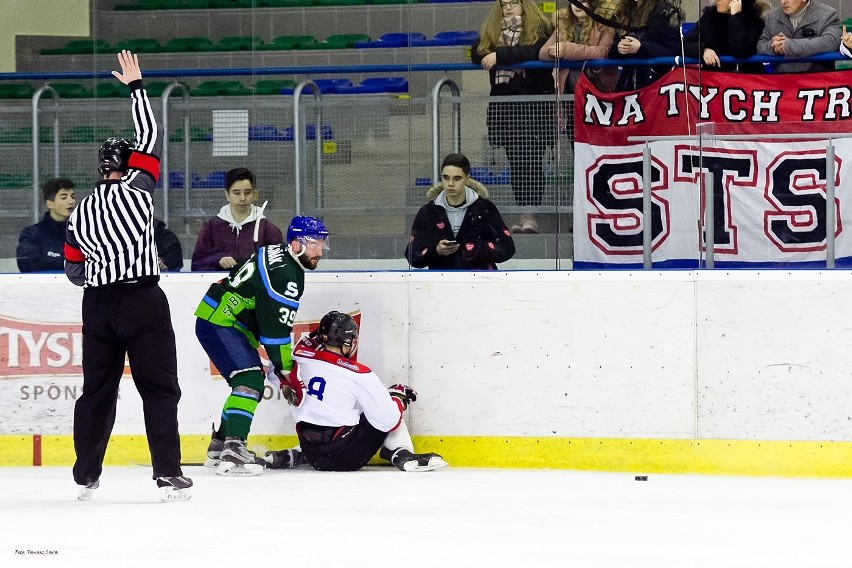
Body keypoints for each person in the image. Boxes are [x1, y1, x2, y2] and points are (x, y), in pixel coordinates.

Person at [64, 51, 191, 502]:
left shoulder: (79, 210)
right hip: (141, 299)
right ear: (127, 163)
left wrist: (101, 275)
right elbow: (152, 135)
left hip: (98, 304)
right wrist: (137, 87)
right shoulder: (137, 190)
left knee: (96, 391)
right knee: (159, 389)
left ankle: (86, 473)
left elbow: (73, 269)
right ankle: (167, 473)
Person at [195, 215, 328, 476]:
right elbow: (275, 336)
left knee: (244, 380)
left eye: (322, 244)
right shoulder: (287, 276)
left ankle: (219, 445)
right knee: (250, 379)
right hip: (222, 322)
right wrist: (287, 373)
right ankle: (234, 450)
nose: (320, 251)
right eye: (314, 243)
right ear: (296, 243)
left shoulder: (275, 251)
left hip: (218, 317)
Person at [264, 311, 448, 473]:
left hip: (313, 454)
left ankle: (295, 454)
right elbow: (388, 420)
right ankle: (402, 454)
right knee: (389, 408)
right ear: (348, 341)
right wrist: (398, 398)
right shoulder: (358, 374)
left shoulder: (297, 359)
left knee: (323, 425)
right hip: (345, 458)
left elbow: (274, 374)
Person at [471, 0, 556, 234]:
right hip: (506, 108)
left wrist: (500, 56)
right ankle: (523, 212)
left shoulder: (541, 28)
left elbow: (537, 51)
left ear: (525, 5)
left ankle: (531, 214)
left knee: (532, 161)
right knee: (517, 162)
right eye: (504, 4)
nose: (508, 8)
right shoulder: (493, 29)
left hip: (534, 106)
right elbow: (477, 52)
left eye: (514, 3)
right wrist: (498, 53)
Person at [406, 153, 515, 270]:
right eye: (446, 177)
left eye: (457, 178)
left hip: (480, 282)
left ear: (467, 178)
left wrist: (480, 249)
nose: (450, 183)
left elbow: (507, 248)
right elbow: (412, 255)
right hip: (442, 283)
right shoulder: (428, 212)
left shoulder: (485, 209)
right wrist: (435, 251)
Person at [190, 167, 283, 271]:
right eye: (237, 193)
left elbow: (278, 268)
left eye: (247, 193)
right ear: (227, 195)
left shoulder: (268, 230)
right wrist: (218, 260)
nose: (242, 198)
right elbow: (196, 264)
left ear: (254, 194)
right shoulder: (211, 227)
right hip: (220, 286)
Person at [539, 0, 618, 94]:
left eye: (583, 1)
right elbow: (542, 53)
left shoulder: (606, 24)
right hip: (568, 92)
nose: (577, 5)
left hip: (597, 91)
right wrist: (551, 53)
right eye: (574, 1)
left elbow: (603, 51)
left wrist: (567, 50)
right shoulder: (563, 24)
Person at [607, 0, 682, 91]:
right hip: (628, 84)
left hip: (656, 85)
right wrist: (619, 48)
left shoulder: (666, 12)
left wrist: (641, 47)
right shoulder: (623, 12)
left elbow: (674, 51)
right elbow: (611, 49)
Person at [683, 0, 768, 73]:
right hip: (714, 84)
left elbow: (740, 51)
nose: (717, 0)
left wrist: (736, 17)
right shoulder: (709, 17)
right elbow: (685, 44)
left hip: (746, 83)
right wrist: (703, 49)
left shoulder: (754, 19)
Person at [756, 0, 840, 73]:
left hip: (816, 82)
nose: (783, 2)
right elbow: (760, 45)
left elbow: (831, 42)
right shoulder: (772, 16)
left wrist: (789, 46)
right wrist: (774, 46)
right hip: (782, 82)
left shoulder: (827, 14)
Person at [16, 178, 77, 272]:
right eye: (64, 197)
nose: (71, 201)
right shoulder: (32, 234)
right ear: (50, 204)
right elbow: (27, 264)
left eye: (72, 196)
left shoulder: (81, 232)